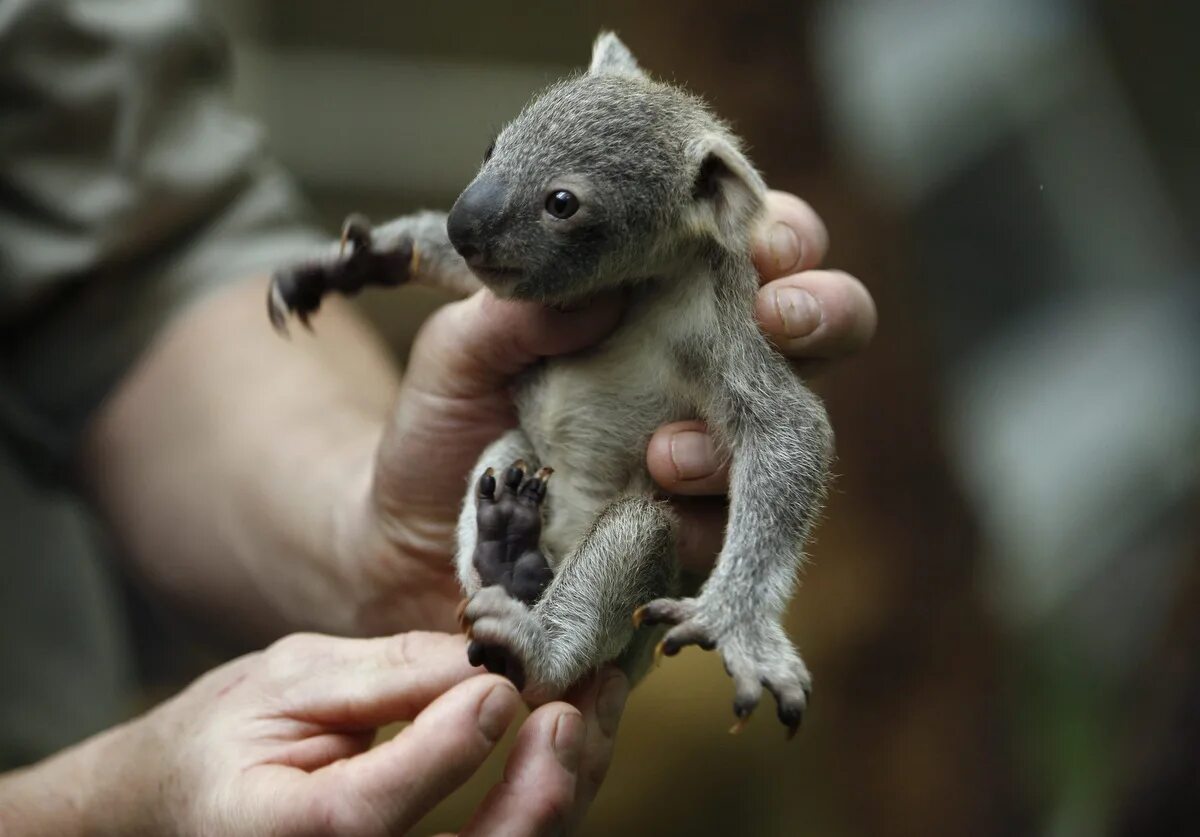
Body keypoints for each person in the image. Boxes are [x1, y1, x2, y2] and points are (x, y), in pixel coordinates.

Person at [0, 1, 876, 833]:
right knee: (518, 430)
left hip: (585, 537)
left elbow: (137, 252)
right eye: (496, 152)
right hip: (74, 729)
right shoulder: (611, 233)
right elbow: (471, 238)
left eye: (564, 205)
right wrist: (91, 811)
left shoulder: (717, 287)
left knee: (623, 516)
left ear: (713, 202)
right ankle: (519, 583)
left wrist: (743, 606)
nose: (477, 209)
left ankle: (543, 629)